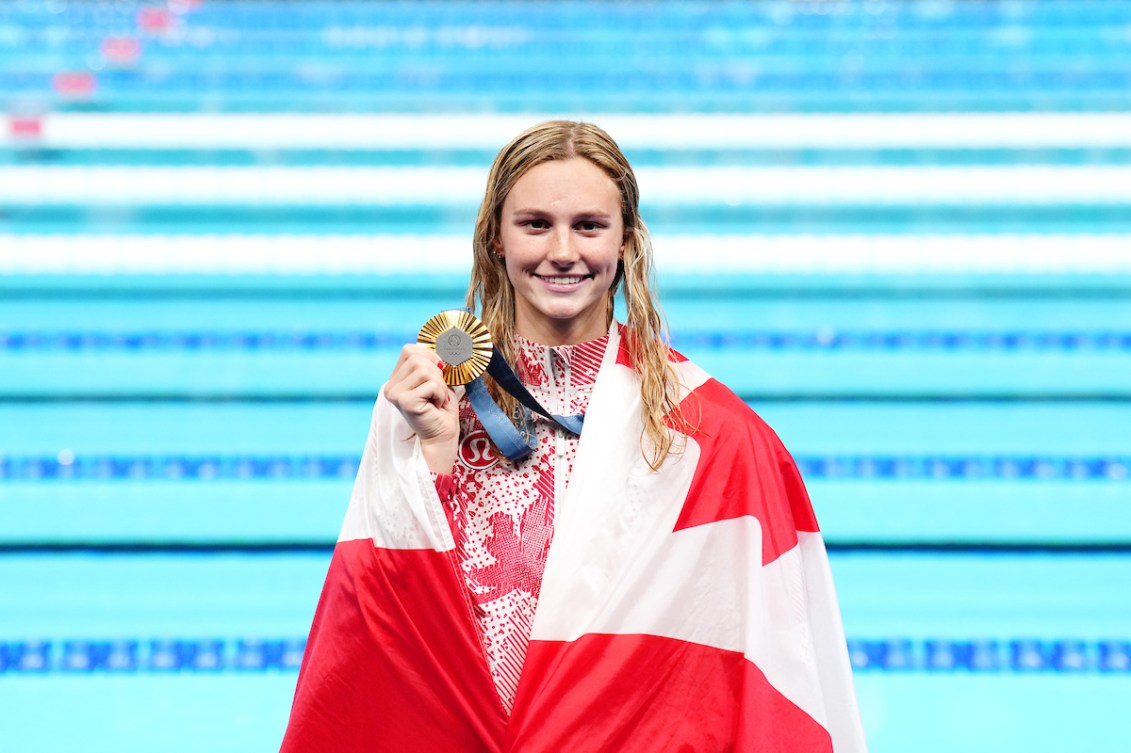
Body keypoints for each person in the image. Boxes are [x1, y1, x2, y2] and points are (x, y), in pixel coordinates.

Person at [281, 121, 867, 752]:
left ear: (627, 243)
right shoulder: (426, 397)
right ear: (495, 241)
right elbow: (382, 630)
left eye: (589, 226)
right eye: (535, 225)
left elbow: (762, 652)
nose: (563, 251)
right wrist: (433, 452)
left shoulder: (707, 431)